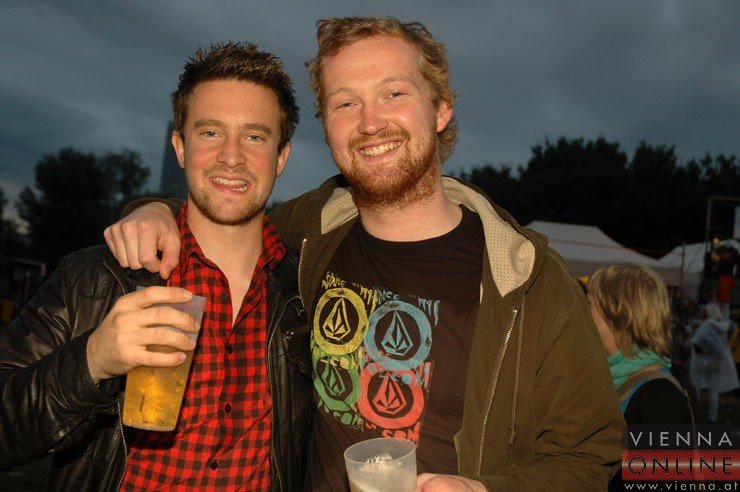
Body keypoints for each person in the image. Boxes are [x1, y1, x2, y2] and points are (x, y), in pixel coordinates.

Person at [105, 17, 623, 491]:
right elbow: (223, 209)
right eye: (345, 103)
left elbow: (592, 458)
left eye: (394, 93)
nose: (370, 122)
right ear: (326, 126)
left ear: (441, 109)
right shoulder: (310, 231)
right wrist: (155, 210)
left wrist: (485, 490)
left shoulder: (530, 282)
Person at [0, 42, 312, 491]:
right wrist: (92, 361)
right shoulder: (95, 279)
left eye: (254, 137)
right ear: (180, 147)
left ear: (281, 157)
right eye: (210, 132)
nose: (231, 156)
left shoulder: (306, 290)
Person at [587, 264, 695, 491]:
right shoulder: (614, 377)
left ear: (618, 314)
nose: (583, 314)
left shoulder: (659, 398)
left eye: (590, 305)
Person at [690, 302, 739, 423]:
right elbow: (720, 346)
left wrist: (704, 351)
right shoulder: (721, 327)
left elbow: (697, 344)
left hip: (702, 362)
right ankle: (713, 417)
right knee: (713, 391)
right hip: (715, 362)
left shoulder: (707, 325)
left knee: (696, 388)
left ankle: (694, 414)